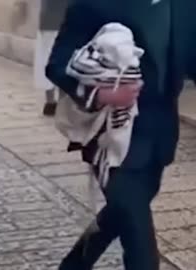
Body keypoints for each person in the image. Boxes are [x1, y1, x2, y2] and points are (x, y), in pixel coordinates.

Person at [46, 0, 196, 269]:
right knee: (140, 243)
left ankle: (73, 265)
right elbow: (57, 65)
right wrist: (102, 95)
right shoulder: (92, 4)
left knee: (120, 214)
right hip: (111, 138)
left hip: (159, 136)